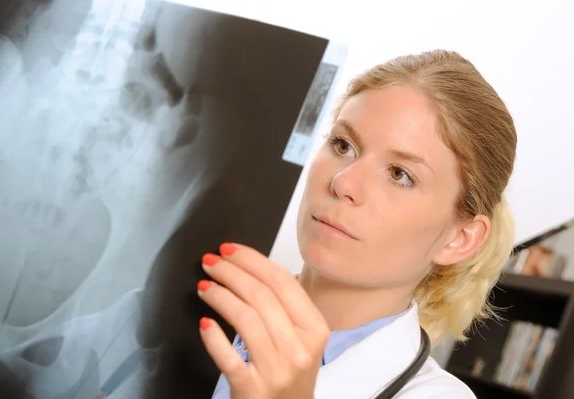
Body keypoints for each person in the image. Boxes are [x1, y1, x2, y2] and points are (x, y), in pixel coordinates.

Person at [196, 49, 517, 398]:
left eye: (399, 175)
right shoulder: (166, 311)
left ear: (460, 238)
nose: (344, 183)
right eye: (343, 145)